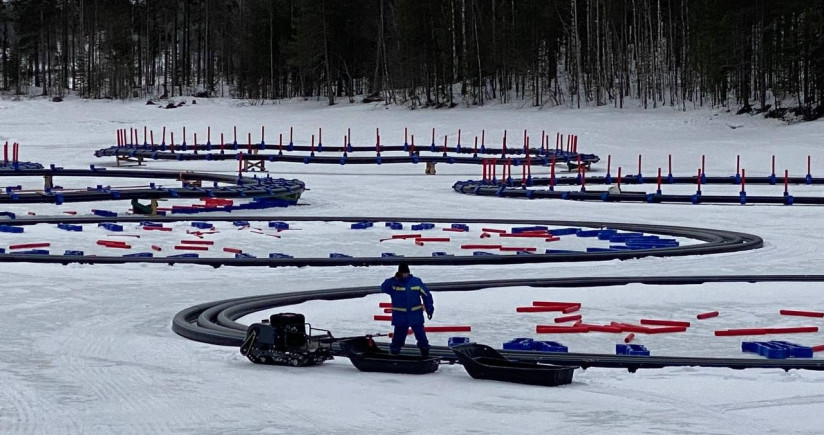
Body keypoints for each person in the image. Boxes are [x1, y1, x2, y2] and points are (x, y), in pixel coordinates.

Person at [380, 263, 434, 357]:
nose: (404, 275)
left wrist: (429, 309)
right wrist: (393, 279)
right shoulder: (394, 283)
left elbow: (426, 295)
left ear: (408, 272)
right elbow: (383, 288)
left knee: (421, 336)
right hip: (400, 316)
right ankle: (394, 354)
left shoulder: (416, 282)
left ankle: (425, 352)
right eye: (402, 273)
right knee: (398, 337)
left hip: (415, 314)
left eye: (405, 273)